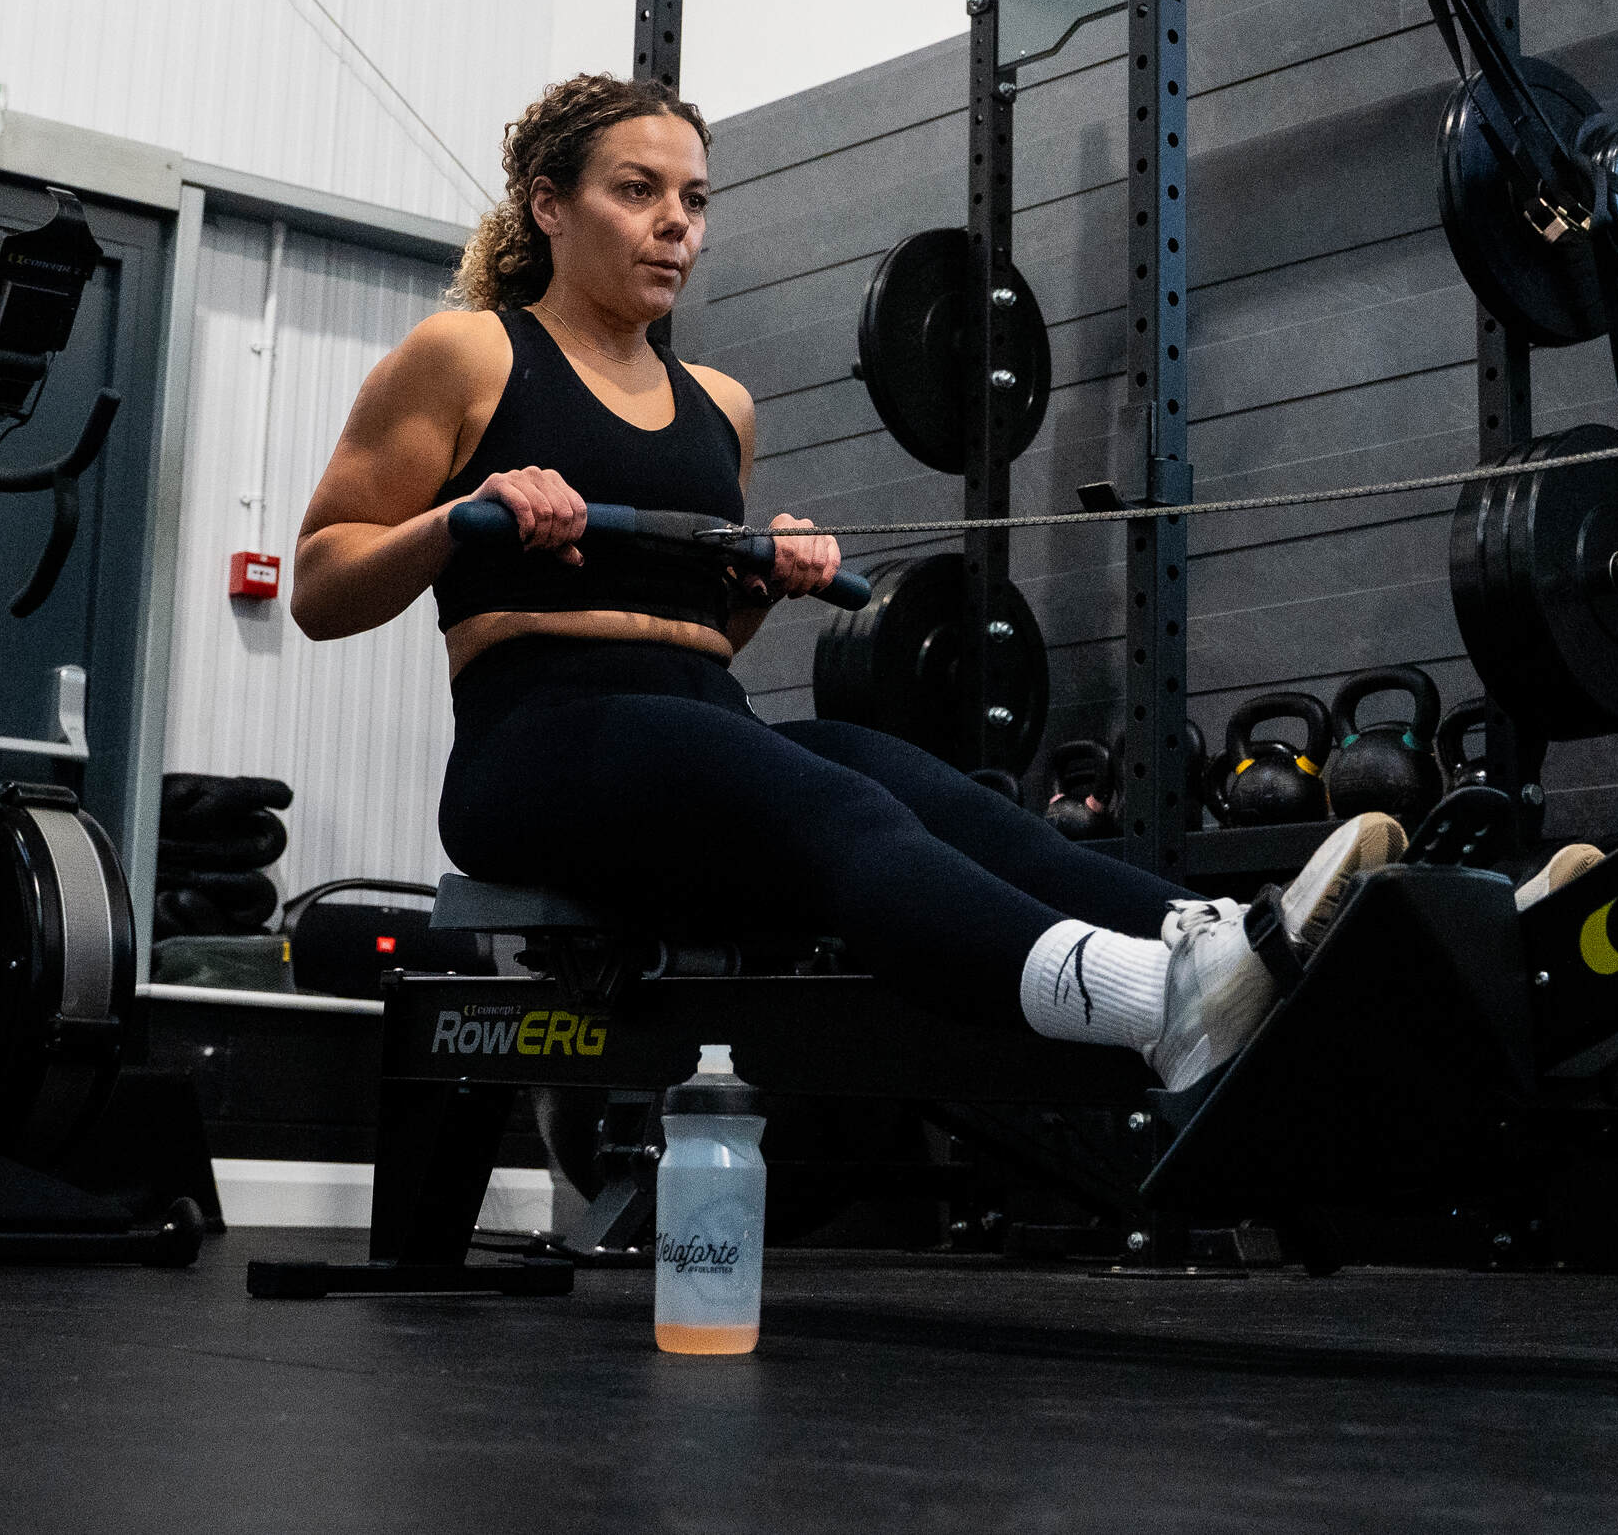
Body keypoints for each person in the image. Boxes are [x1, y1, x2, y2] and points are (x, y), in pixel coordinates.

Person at [286, 72, 1399, 1088]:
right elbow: (322, 584)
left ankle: (1238, 944)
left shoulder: (720, 404)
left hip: (697, 730)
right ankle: (1155, 1002)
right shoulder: (470, 353)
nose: (676, 222)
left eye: (694, 199)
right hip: (535, 747)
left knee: (939, 792)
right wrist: (464, 518)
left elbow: (697, 643)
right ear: (549, 205)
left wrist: (761, 585)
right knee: (836, 800)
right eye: (638, 191)